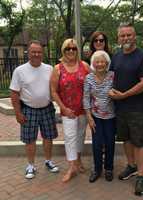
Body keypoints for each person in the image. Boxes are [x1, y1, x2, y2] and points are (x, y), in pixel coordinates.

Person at [109, 23, 143, 196]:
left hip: (137, 108)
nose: (126, 38)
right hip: (119, 108)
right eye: (122, 35)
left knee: (139, 142)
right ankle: (131, 166)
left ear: (134, 36)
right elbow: (110, 79)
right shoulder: (116, 56)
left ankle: (140, 176)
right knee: (125, 139)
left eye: (129, 35)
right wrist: (111, 92)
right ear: (118, 38)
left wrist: (124, 95)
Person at [10, 40, 59, 179]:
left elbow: (55, 89)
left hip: (47, 108)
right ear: (28, 53)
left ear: (42, 53)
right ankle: (30, 165)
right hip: (28, 109)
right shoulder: (19, 71)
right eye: (33, 52)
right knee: (30, 139)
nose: (36, 54)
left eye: (39, 52)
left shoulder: (49, 69)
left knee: (48, 137)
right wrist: (18, 113)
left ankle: (48, 161)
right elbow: (14, 93)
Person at [50, 38, 89, 182]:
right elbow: (53, 91)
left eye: (74, 48)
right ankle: (72, 166)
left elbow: (92, 83)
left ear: (77, 50)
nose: (71, 51)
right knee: (70, 137)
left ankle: (78, 160)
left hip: (83, 110)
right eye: (68, 49)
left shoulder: (84, 66)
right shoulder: (57, 69)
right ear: (63, 51)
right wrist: (63, 108)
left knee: (80, 135)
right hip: (68, 111)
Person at [83, 50, 115, 183]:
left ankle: (108, 168)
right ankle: (97, 169)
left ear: (107, 63)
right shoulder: (88, 78)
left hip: (111, 116)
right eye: (97, 62)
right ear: (93, 64)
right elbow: (85, 98)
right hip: (95, 116)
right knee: (96, 144)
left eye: (103, 61)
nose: (100, 64)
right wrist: (89, 117)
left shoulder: (113, 76)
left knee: (109, 143)